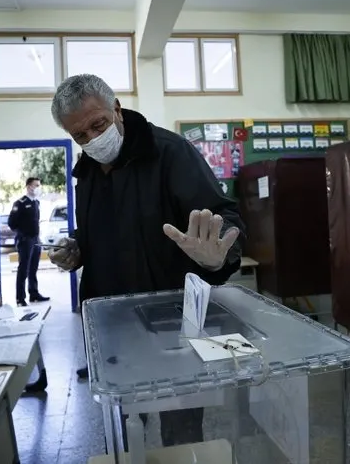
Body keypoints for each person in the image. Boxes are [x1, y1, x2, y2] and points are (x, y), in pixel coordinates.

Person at [48, 74, 245, 448]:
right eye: (80, 135)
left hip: (171, 323)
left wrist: (218, 254)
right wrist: (78, 248)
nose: (91, 139)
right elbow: (102, 232)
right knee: (119, 431)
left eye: (98, 125)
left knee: (181, 431)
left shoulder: (170, 153)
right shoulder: (86, 170)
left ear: (117, 110)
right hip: (109, 327)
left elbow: (224, 218)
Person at [8, 177, 50, 307]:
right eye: (36, 185)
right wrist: (23, 234)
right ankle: (20, 298)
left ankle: (34, 294)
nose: (38, 188)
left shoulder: (36, 203)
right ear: (28, 186)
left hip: (36, 240)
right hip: (25, 240)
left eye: (39, 185)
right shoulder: (20, 203)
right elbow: (12, 223)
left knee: (33, 268)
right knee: (23, 270)